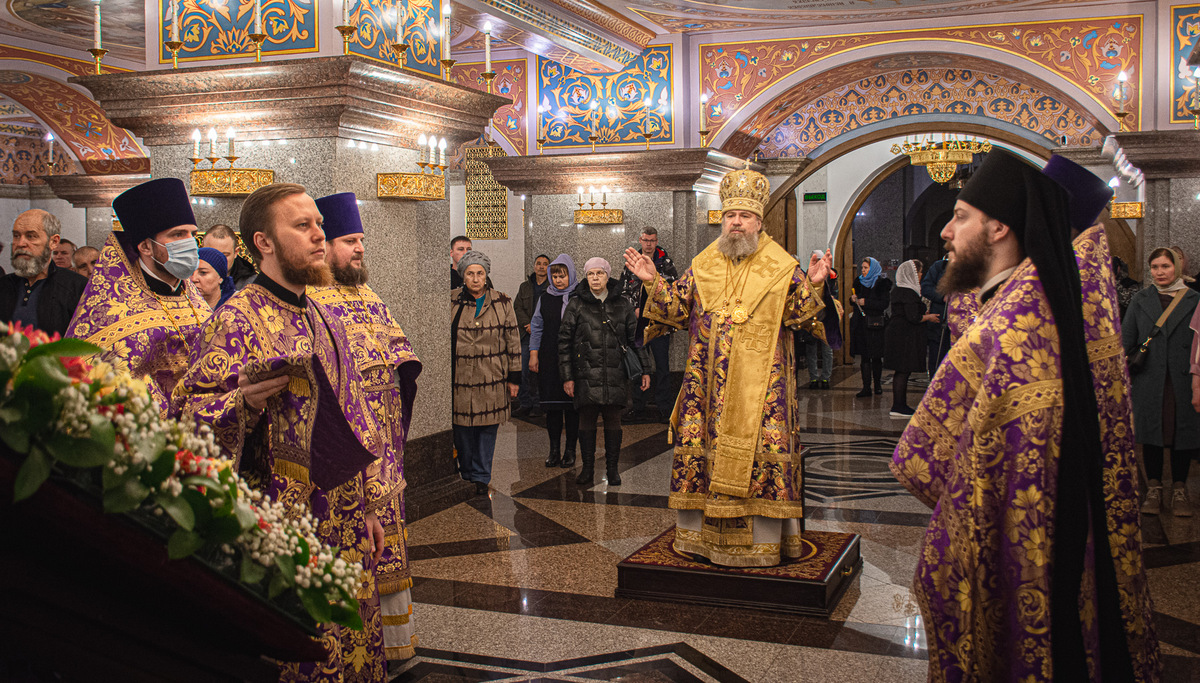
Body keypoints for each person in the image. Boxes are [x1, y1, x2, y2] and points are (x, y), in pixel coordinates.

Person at [891, 150, 1159, 681]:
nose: (946, 231)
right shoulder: (1030, 297)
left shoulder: (1018, 320)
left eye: (960, 216)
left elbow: (923, 457)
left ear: (999, 228)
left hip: (1029, 533)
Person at [173, 183, 389, 682]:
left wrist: (372, 504)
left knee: (352, 640)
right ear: (264, 242)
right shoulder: (237, 319)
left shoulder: (321, 312)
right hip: (283, 523)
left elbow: (357, 408)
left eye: (319, 224)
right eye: (303, 226)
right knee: (302, 646)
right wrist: (240, 403)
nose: (319, 235)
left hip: (346, 516)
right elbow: (188, 419)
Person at [623, 166, 831, 567]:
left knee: (760, 456)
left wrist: (817, 285)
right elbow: (676, 310)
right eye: (730, 216)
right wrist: (653, 283)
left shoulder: (781, 266)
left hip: (764, 390)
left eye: (744, 216)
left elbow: (802, 318)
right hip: (707, 391)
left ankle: (765, 545)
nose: (736, 222)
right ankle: (701, 541)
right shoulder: (705, 264)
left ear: (759, 221)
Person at [309, 192, 422, 662]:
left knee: (388, 540)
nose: (359, 249)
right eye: (349, 240)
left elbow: (400, 357)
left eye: (362, 240)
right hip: (342, 451)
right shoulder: (310, 299)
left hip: (384, 444)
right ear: (326, 245)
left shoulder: (367, 294)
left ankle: (393, 643)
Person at [66, 179, 209, 416]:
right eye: (177, 234)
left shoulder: (191, 296)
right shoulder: (112, 307)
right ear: (145, 246)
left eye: (192, 234)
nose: (190, 243)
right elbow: (103, 383)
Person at [559, 257, 649, 486]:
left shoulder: (623, 305)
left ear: (608, 276)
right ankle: (587, 469)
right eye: (591, 274)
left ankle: (612, 469)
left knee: (613, 423)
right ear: (586, 277)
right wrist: (567, 377)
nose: (595, 278)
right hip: (586, 375)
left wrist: (645, 369)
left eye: (600, 273)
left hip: (615, 374)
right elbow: (564, 342)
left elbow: (635, 340)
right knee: (586, 422)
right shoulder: (576, 304)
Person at [1124, 247, 1199, 516]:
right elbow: (1126, 340)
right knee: (1151, 434)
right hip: (1149, 378)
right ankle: (1154, 488)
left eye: (1165, 266)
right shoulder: (1140, 299)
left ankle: (1179, 489)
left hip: (1182, 379)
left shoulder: (1195, 299)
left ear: (1176, 268)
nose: (1159, 272)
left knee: (1182, 433)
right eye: (1154, 267)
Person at [451, 250, 520, 495]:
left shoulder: (502, 301)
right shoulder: (451, 301)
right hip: (460, 379)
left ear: (486, 274)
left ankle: (481, 477)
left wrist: (514, 377)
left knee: (487, 429)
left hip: (492, 377)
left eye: (480, 273)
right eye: (470, 273)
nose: (476, 278)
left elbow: (513, 339)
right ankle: (467, 472)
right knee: (463, 430)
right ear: (463, 276)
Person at [619, 226, 678, 423]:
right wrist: (634, 309)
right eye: (646, 240)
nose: (649, 244)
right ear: (640, 240)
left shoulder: (665, 262)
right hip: (638, 324)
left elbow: (673, 289)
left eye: (652, 240)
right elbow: (623, 291)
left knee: (662, 367)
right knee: (639, 365)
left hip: (660, 324)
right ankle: (638, 406)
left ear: (657, 240)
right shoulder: (632, 261)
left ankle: (664, 408)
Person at [0, 209, 86, 337]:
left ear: (53, 242)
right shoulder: (3, 285)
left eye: (31, 236)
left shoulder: (77, 287)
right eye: (16, 236)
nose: (20, 243)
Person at [529, 254, 580, 468]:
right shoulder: (545, 297)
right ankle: (554, 450)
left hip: (573, 357)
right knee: (552, 407)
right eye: (555, 276)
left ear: (571, 275)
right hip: (549, 356)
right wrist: (533, 353)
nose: (558, 280)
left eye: (563, 275)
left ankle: (570, 451)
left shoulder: (579, 297)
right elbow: (537, 325)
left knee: (572, 407)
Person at [884, 259, 939, 418]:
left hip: (900, 335)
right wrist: (928, 317)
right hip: (903, 338)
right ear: (912, 274)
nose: (921, 275)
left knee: (902, 371)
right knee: (903, 371)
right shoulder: (908, 292)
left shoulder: (900, 290)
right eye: (919, 272)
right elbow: (913, 317)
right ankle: (898, 406)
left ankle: (900, 404)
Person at [513, 254, 551, 417]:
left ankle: (539, 403)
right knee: (523, 369)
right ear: (534, 266)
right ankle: (525, 402)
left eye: (545, 264)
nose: (541, 266)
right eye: (539, 264)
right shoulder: (525, 287)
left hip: (545, 334)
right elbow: (517, 307)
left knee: (542, 371)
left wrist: (537, 327)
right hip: (526, 334)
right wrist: (528, 325)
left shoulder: (552, 286)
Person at [849, 256, 891, 397]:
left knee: (876, 357)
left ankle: (878, 385)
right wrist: (853, 299)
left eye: (866, 268)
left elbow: (883, 304)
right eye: (862, 268)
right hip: (861, 325)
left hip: (875, 325)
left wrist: (866, 302)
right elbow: (853, 300)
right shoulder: (859, 282)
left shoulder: (881, 284)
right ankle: (866, 387)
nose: (863, 270)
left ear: (872, 268)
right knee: (865, 357)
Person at [801, 262, 840, 389]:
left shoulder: (830, 279)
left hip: (826, 320)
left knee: (827, 351)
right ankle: (813, 378)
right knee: (811, 350)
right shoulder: (806, 280)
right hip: (811, 320)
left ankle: (825, 378)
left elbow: (834, 297)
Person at [202, 223, 257, 290]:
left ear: (236, 252)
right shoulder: (191, 280)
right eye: (212, 255)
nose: (219, 261)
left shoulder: (250, 284)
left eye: (225, 255)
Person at [920, 254, 950, 374]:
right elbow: (926, 288)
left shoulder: (970, 267)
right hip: (939, 322)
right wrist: (942, 296)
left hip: (960, 325)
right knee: (937, 359)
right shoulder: (939, 267)